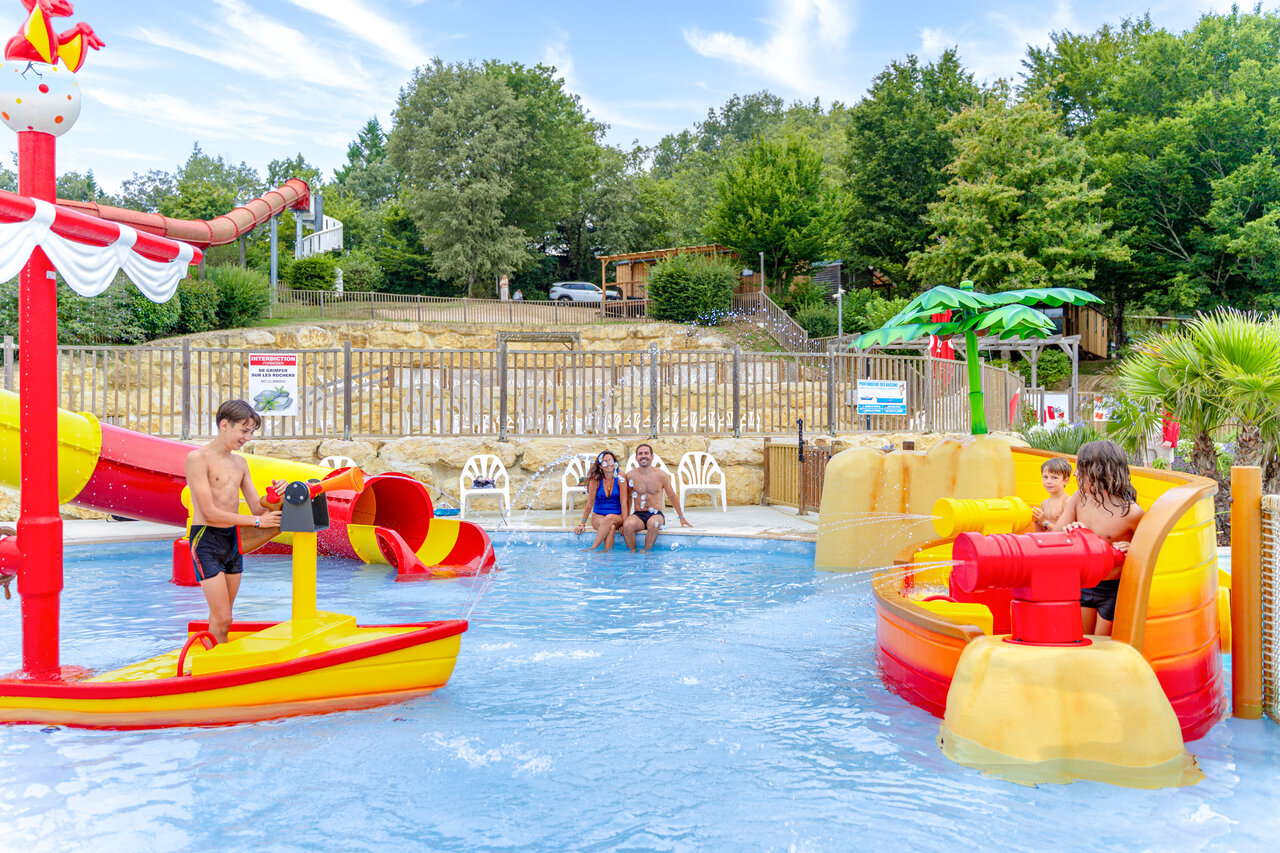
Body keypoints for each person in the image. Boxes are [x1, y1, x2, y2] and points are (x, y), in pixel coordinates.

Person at [184, 400, 283, 644]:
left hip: (232, 540)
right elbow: (209, 512)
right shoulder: (197, 459)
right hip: (206, 539)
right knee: (222, 617)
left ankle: (214, 658)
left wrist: (278, 495)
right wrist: (257, 522)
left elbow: (258, 507)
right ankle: (215, 663)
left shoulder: (240, 463)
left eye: (251, 432)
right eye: (244, 430)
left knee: (225, 620)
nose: (247, 438)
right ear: (225, 425)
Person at [1055, 440, 1145, 637]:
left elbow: (1149, 553)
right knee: (1081, 639)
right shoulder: (1079, 499)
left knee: (1102, 643)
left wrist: (1133, 548)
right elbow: (1055, 536)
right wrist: (1069, 532)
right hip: (1083, 584)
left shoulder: (1131, 513)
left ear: (1100, 473)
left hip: (1112, 589)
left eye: (1081, 469)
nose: (1075, 474)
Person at [621, 444, 692, 552]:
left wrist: (681, 517)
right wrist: (624, 519)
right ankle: (632, 553)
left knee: (654, 524)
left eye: (646, 453)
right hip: (638, 514)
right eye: (640, 454)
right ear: (636, 458)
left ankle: (646, 551)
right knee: (628, 525)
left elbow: (672, 495)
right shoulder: (631, 475)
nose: (643, 456)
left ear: (652, 456)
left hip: (656, 514)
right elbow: (628, 498)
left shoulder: (661, 475)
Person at [574, 451, 629, 551]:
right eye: (604, 462)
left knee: (609, 518)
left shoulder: (620, 476)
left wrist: (625, 524)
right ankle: (607, 554)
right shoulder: (596, 479)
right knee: (611, 527)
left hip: (617, 516)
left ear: (615, 463)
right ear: (600, 466)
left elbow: (624, 502)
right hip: (598, 516)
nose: (608, 464)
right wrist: (582, 523)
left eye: (611, 461)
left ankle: (593, 548)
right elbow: (590, 502)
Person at [1031, 457, 1072, 532]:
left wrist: (1045, 522)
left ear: (1065, 481)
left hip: (1061, 539)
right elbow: (1040, 533)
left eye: (1054, 478)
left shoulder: (1067, 502)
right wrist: (1036, 521)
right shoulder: (1044, 503)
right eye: (1045, 477)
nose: (1048, 481)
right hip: (1047, 539)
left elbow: (1066, 531)